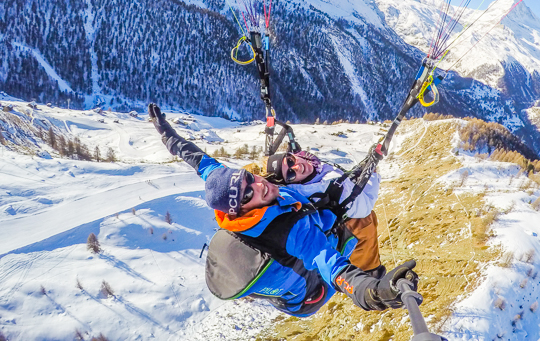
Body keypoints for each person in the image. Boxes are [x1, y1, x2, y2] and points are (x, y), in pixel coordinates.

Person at [147, 103, 418, 316]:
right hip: (311, 295)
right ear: (238, 211)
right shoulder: (290, 230)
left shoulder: (224, 186)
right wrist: (372, 291)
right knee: (352, 228)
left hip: (288, 258)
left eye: (249, 179)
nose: (258, 185)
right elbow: (330, 265)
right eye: (248, 194)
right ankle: (372, 269)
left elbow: (199, 161)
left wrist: (167, 134)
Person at [265, 150, 384, 276]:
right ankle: (372, 276)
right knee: (364, 221)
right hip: (346, 234)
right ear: (291, 183)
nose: (297, 167)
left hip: (337, 232)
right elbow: (365, 205)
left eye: (290, 160)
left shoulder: (313, 175)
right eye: (290, 174)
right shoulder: (320, 189)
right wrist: (372, 172)